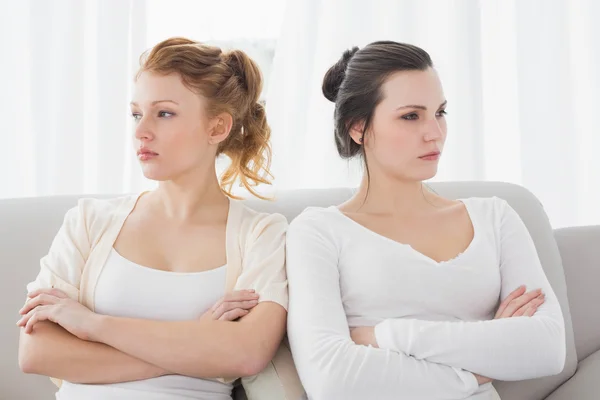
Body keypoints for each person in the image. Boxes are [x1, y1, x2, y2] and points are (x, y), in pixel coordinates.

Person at [18, 37, 302, 400]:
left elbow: (246, 354)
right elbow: (37, 352)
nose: (140, 131)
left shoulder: (261, 234)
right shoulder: (90, 220)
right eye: (137, 113)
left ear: (217, 128)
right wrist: (197, 342)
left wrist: (92, 325)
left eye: (164, 113)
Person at [285, 41, 566, 400]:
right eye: (410, 116)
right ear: (358, 127)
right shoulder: (318, 231)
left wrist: (384, 335)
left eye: (441, 112)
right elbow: (334, 379)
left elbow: (547, 348)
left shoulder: (495, 217)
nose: (435, 132)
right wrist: (480, 367)